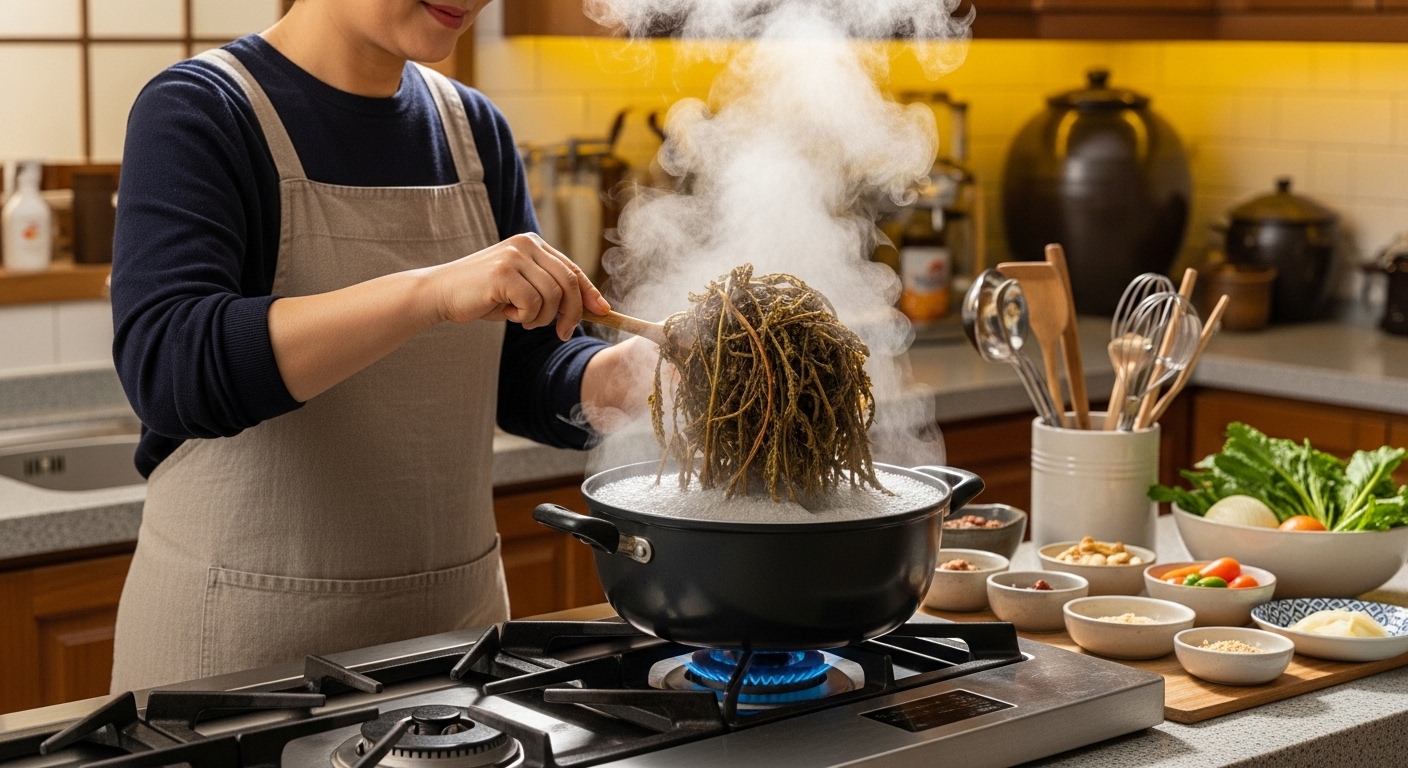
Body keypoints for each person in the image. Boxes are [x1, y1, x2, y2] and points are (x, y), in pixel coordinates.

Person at [107, 0, 650, 691]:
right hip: (242, 672)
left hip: (453, 663)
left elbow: (523, 371)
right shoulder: (201, 110)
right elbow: (172, 369)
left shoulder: (474, 131)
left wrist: (628, 378)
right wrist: (427, 294)